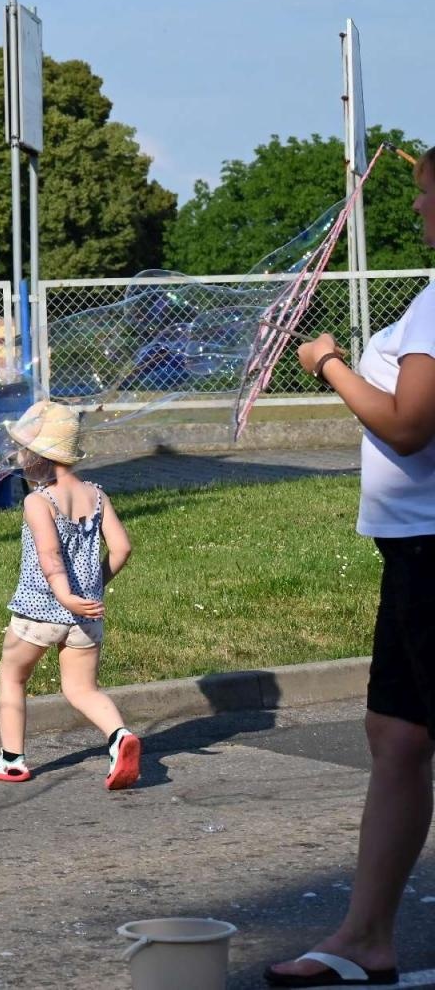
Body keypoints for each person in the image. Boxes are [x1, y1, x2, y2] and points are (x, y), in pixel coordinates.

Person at [265, 146, 435, 988]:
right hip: (412, 551)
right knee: (397, 735)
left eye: (426, 192)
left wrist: (328, 362)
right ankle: (367, 937)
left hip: (434, 552)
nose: (417, 208)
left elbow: (407, 426)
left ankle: (368, 935)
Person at [0, 400, 140, 791]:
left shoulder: (37, 501)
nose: (18, 457)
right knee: (82, 690)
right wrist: (92, 587)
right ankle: (119, 736)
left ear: (38, 456)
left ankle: (11, 761)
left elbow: (49, 557)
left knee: (12, 674)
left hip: (40, 610)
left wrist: (64, 595)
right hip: (87, 617)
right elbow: (122, 549)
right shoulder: (97, 495)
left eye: (22, 450)